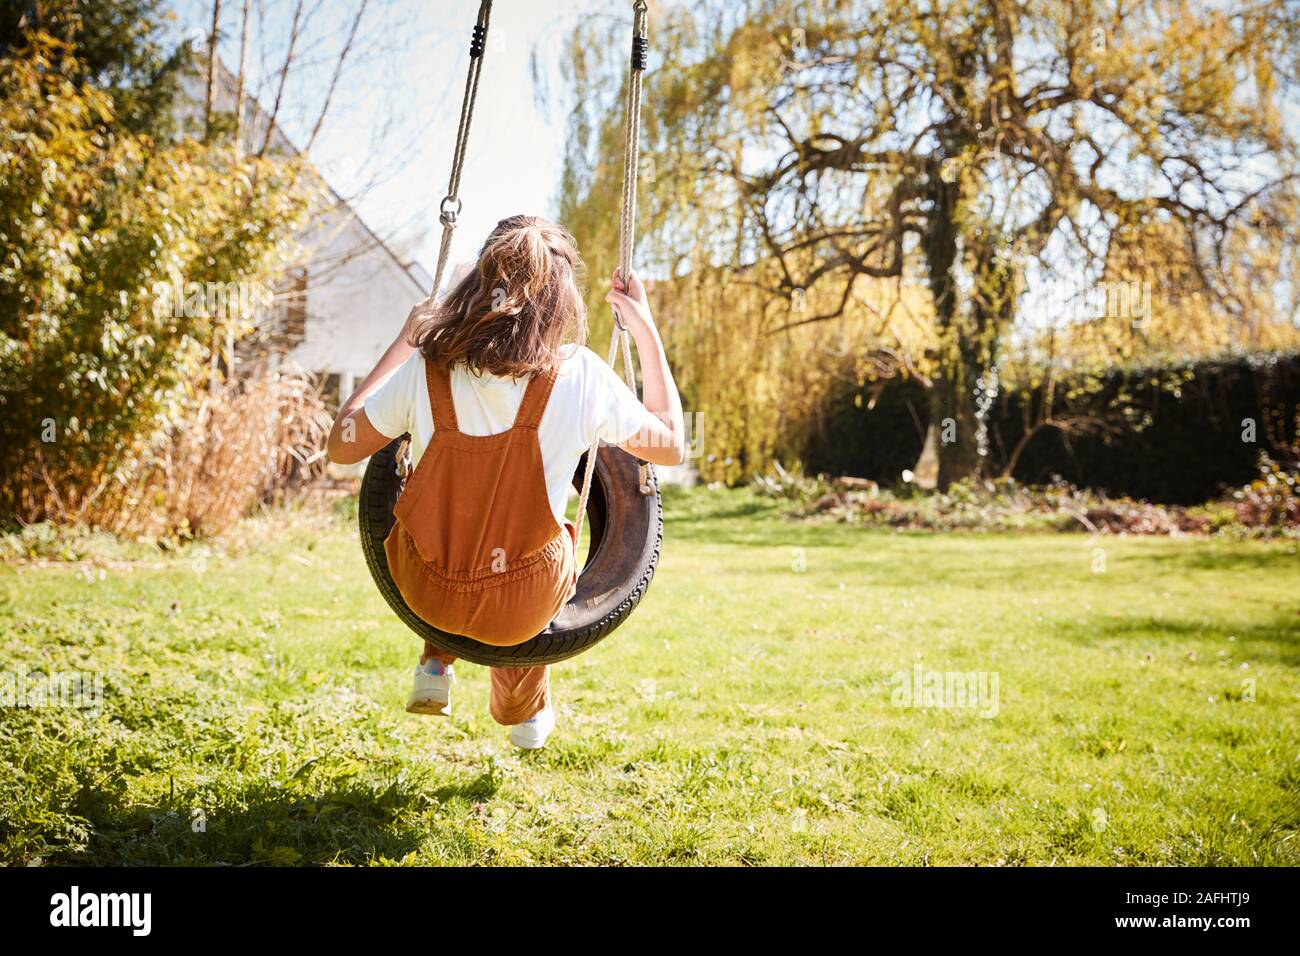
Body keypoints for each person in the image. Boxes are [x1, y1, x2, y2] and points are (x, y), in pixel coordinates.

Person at [326, 214, 685, 749]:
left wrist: (406, 340)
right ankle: (522, 710)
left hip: (424, 589)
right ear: (561, 300)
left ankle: (435, 660)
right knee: (541, 557)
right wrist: (647, 331)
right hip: (522, 604)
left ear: (478, 283)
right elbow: (672, 445)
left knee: (446, 515)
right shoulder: (580, 375)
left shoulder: (428, 366)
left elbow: (340, 446)